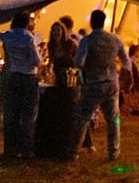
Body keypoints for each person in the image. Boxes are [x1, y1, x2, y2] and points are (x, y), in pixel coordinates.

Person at [73, 9, 132, 161]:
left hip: (94, 83)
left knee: (83, 118)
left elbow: (79, 62)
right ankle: (114, 152)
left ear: (92, 22)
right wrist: (126, 75)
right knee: (113, 119)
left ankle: (74, 151)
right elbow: (126, 60)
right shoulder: (115, 39)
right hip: (111, 83)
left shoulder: (87, 41)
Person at [0, 11, 42, 159]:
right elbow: (36, 60)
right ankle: (26, 150)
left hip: (13, 75)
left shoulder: (9, 35)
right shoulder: (29, 38)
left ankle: (10, 149)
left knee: (11, 113)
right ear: (27, 22)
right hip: (28, 77)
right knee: (28, 114)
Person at [48, 16, 77, 85]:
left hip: (69, 77)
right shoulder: (51, 45)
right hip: (56, 77)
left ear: (63, 32)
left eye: (58, 30)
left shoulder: (70, 44)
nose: (55, 32)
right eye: (53, 30)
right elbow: (51, 61)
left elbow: (77, 62)